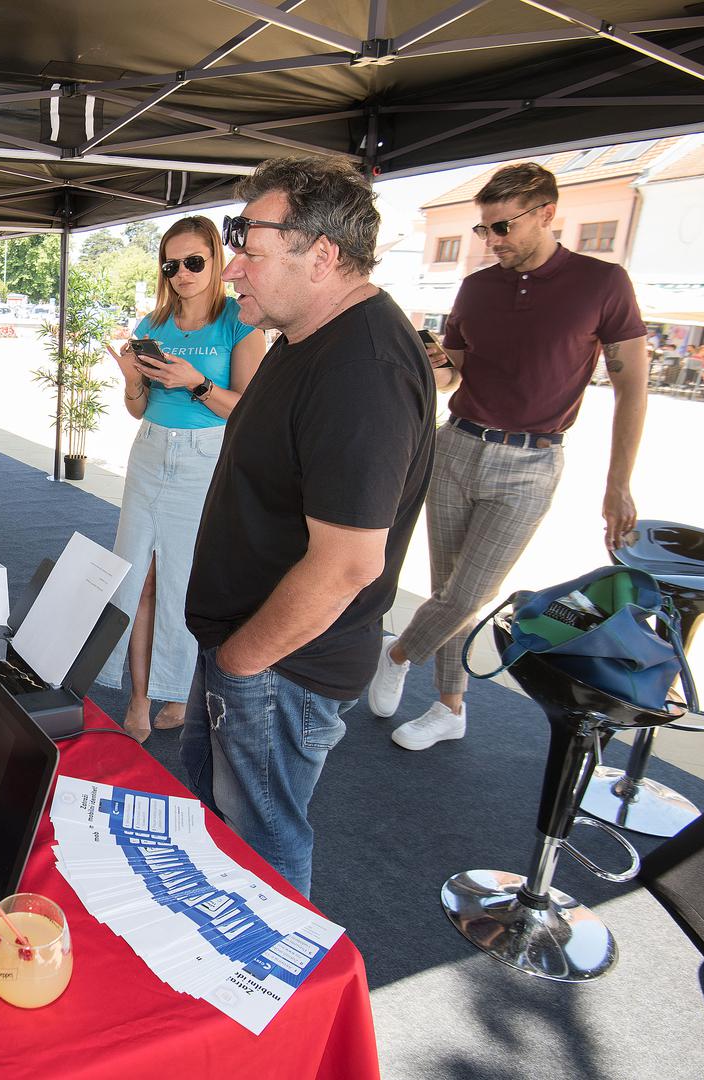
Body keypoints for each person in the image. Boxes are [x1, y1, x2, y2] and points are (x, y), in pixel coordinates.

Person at [181, 157, 435, 896]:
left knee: (262, 849)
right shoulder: (307, 338)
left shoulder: (363, 367)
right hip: (250, 649)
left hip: (281, 666)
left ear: (320, 256)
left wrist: (241, 661)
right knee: (211, 828)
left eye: (251, 254)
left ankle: (277, 1003)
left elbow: (349, 564)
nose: (232, 271)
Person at [368, 162, 648, 751]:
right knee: (448, 589)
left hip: (532, 463)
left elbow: (632, 387)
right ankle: (450, 708)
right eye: (485, 230)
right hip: (457, 445)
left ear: (547, 212)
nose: (492, 241)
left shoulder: (604, 282)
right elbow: (454, 376)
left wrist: (618, 482)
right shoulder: (477, 286)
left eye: (503, 227)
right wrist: (435, 362)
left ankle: (396, 653)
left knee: (466, 594)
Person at [94, 217, 266, 742]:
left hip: (203, 460)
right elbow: (138, 407)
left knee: (181, 583)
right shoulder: (154, 322)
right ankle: (141, 696)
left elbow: (248, 411)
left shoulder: (240, 322)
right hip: (150, 450)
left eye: (194, 262)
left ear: (216, 261)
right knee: (136, 577)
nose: (183, 273)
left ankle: (177, 690)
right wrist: (131, 382)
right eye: (172, 264)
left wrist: (196, 384)